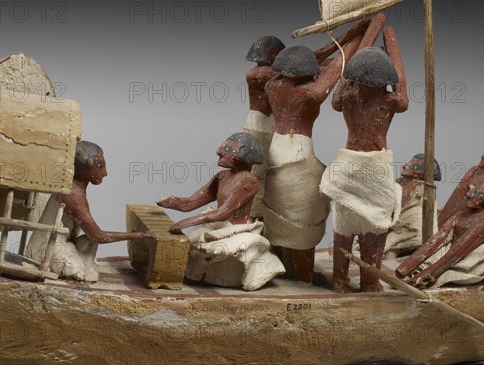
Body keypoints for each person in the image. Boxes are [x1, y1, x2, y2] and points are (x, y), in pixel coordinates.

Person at [262, 26, 366, 282]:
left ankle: (280, 269)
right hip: (296, 155)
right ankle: (304, 278)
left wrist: (347, 37)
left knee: (279, 213)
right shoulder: (310, 93)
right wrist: (361, 38)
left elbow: (317, 62)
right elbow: (334, 69)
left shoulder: (271, 85)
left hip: (276, 150)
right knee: (302, 216)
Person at [320, 24, 408, 293]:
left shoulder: (345, 97)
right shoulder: (390, 101)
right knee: (376, 224)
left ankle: (340, 280)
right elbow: (402, 91)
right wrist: (391, 39)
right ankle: (370, 282)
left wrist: (370, 33)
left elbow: (341, 87)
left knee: (344, 226)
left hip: (348, 163)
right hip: (375, 166)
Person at [157, 133, 285, 291]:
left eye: (229, 149)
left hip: (234, 228)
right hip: (218, 224)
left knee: (210, 246)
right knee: (192, 242)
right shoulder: (222, 176)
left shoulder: (248, 180)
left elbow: (223, 212)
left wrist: (186, 222)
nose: (219, 151)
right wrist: (173, 202)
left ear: (245, 156)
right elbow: (190, 202)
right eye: (222, 147)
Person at [27, 141, 152, 282]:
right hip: (47, 249)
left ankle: (84, 264)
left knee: (90, 243)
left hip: (66, 241)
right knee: (80, 267)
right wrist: (139, 235)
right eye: (100, 166)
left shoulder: (76, 188)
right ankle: (75, 267)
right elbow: (98, 235)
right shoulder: (73, 195)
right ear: (89, 166)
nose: (105, 173)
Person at [396, 181, 484, 289]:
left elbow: (461, 248)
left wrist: (430, 273)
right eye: (472, 190)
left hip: (467, 259)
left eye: (479, 193)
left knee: (446, 274)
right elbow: (437, 239)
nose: (469, 194)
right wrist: (406, 266)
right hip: (452, 253)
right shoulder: (460, 215)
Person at [241, 35, 285, 220]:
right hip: (260, 130)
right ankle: (251, 221)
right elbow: (301, 70)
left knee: (267, 176)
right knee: (257, 176)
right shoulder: (260, 73)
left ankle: (257, 222)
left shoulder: (261, 73)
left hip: (263, 129)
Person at [438, 144, 484, 227]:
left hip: (464, 216)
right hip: (452, 210)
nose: (483, 156)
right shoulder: (474, 169)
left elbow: (473, 201)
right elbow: (457, 193)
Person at [384, 154, 441, 259]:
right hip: (396, 227)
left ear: (419, 172)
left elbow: (414, 215)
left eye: (410, 165)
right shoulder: (400, 183)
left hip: (412, 231)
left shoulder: (424, 187)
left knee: (388, 248)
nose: (404, 166)